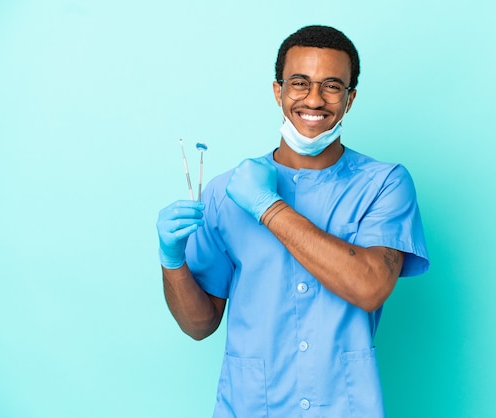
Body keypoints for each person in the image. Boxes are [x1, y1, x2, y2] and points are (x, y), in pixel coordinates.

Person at [156, 25, 429, 417]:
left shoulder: (385, 184)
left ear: (350, 99)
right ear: (277, 91)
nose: (314, 99)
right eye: (299, 83)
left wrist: (268, 207)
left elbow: (369, 286)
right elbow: (200, 325)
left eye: (332, 86)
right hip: (251, 406)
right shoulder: (224, 192)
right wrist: (172, 261)